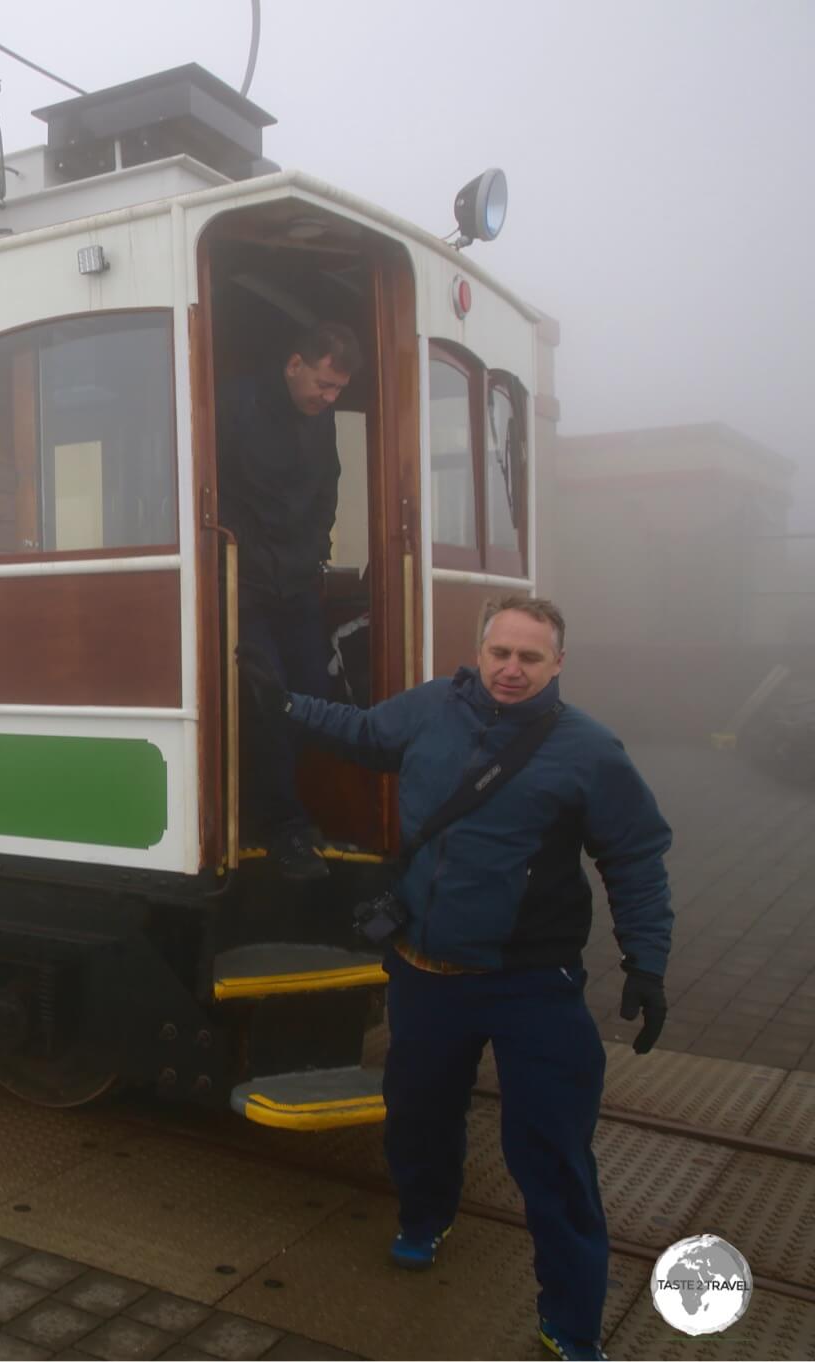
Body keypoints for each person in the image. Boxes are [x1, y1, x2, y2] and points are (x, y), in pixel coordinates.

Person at [242, 595, 671, 1362]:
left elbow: (634, 858)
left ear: (558, 664)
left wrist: (648, 962)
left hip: (534, 984)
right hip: (426, 972)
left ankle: (570, 1323)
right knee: (418, 1114)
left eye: (530, 658)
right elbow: (365, 733)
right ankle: (424, 1217)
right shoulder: (432, 706)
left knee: (554, 1156)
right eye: (500, 653)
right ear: (481, 652)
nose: (511, 669)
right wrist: (282, 704)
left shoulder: (591, 751)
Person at [218, 319, 361, 880]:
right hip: (244, 581)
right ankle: (281, 828)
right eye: (323, 385)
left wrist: (315, 549)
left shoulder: (319, 419)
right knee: (267, 698)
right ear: (293, 363)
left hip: (296, 580)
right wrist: (238, 554)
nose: (327, 399)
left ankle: (296, 813)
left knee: (313, 695)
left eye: (337, 393)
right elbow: (209, 483)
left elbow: (327, 487)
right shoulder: (234, 404)